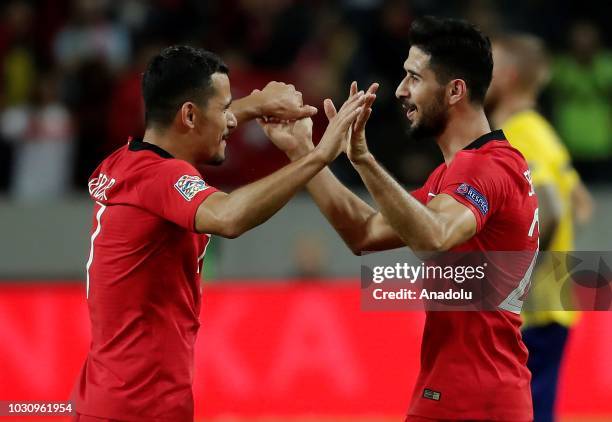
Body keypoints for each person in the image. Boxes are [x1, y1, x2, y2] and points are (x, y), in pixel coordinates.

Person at [71, 45, 371, 422]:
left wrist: (255, 105)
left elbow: (199, 121)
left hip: (106, 397)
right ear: (190, 114)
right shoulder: (162, 177)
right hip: (139, 407)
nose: (231, 121)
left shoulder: (122, 161)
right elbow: (229, 217)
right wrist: (318, 154)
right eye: (225, 107)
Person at [263, 16, 538, 421]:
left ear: (455, 90)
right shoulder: (455, 175)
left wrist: (364, 160)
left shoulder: (482, 169)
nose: (401, 91)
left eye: (414, 78)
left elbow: (434, 237)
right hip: (464, 392)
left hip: (473, 401)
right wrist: (304, 154)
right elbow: (364, 233)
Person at [487, 34, 594, 422]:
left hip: (534, 308)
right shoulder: (544, 133)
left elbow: (549, 208)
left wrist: (512, 281)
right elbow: (581, 202)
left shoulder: (521, 132)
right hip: (551, 303)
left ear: (510, 77)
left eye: (491, 66)